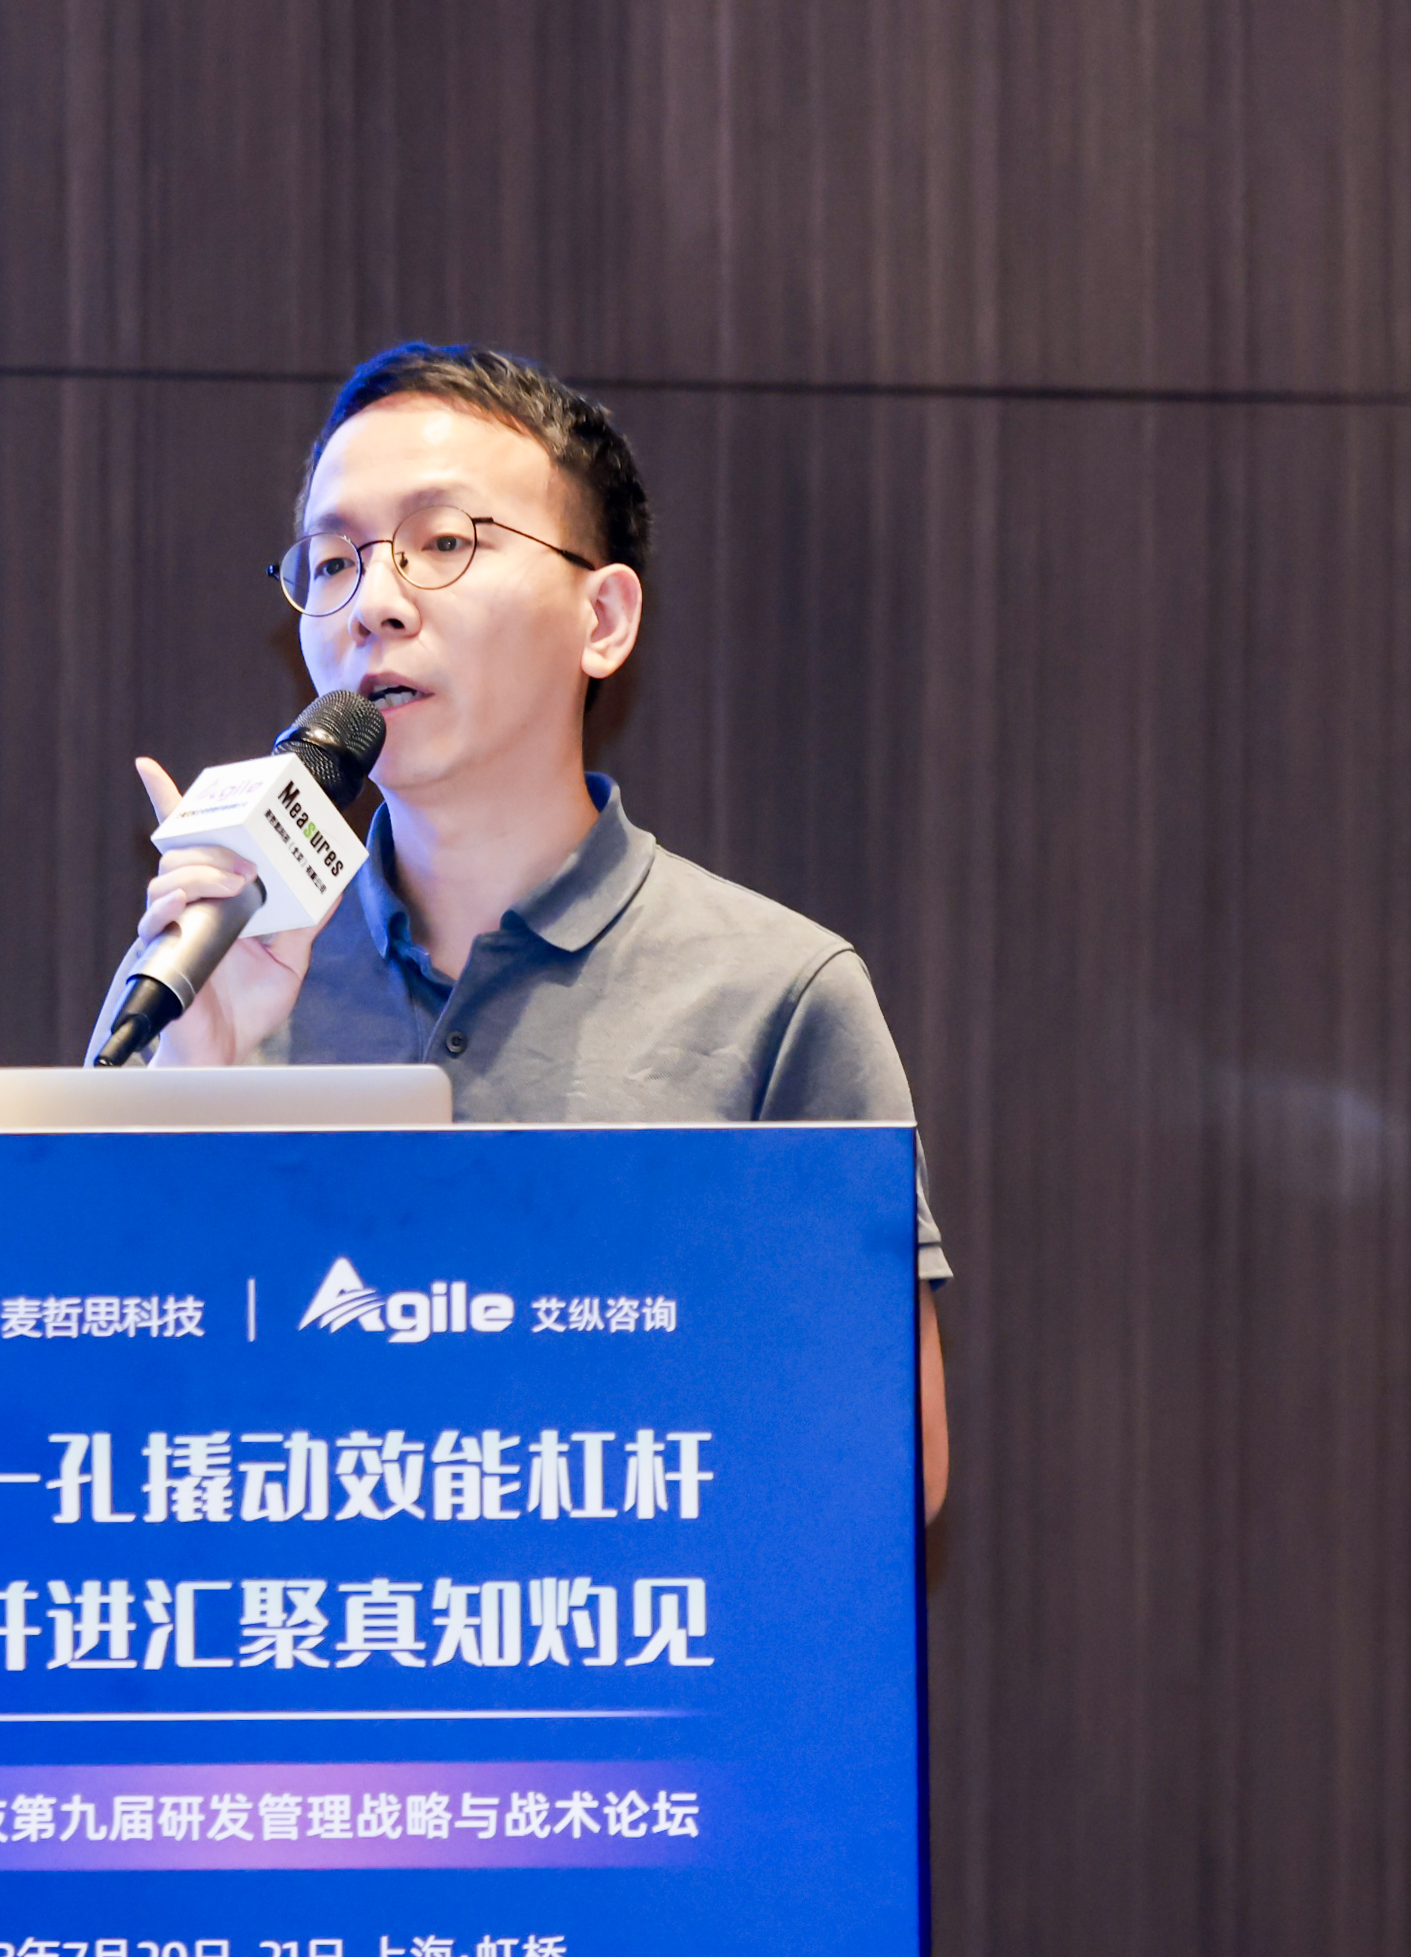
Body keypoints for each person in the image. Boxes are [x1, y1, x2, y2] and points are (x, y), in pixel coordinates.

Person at [89, 343, 950, 1518]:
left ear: (602, 618)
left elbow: (885, 1477)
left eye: (443, 542)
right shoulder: (203, 973)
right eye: (331, 562)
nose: (374, 604)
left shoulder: (777, 995)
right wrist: (200, 1083)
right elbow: (90, 1424)